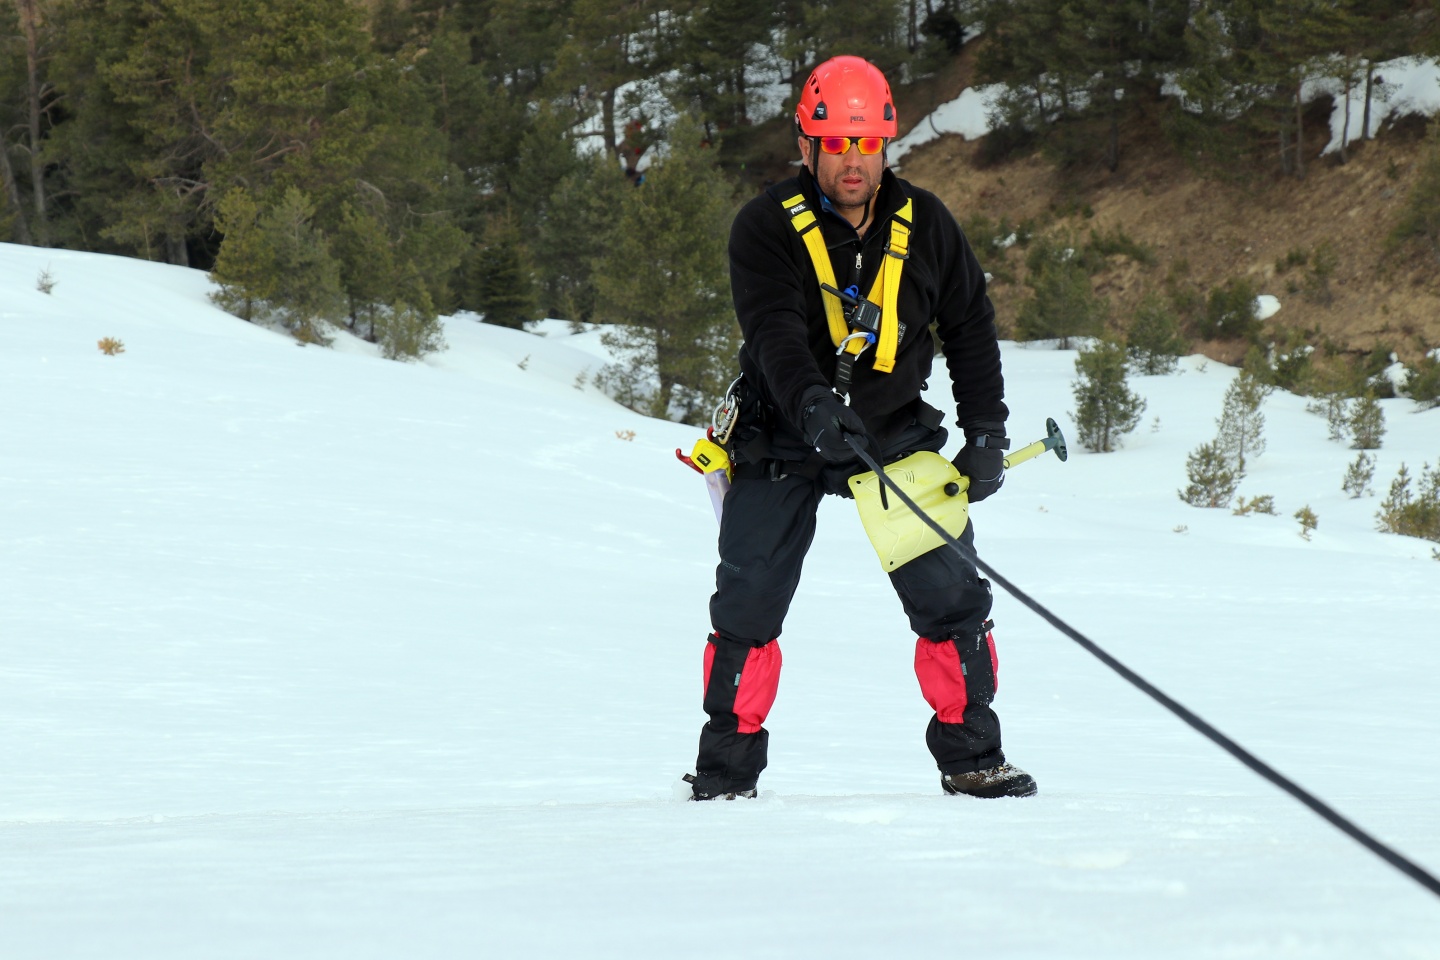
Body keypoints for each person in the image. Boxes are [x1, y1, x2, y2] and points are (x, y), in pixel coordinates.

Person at [683, 55, 1036, 801]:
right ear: (806, 146)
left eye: (866, 144)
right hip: (782, 431)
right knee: (747, 602)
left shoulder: (927, 225)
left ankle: (975, 758)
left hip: (891, 434)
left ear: (886, 145)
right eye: (836, 144)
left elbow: (970, 329)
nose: (853, 161)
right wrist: (812, 406)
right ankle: (725, 774)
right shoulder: (765, 228)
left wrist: (987, 432)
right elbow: (774, 332)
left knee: (951, 596)